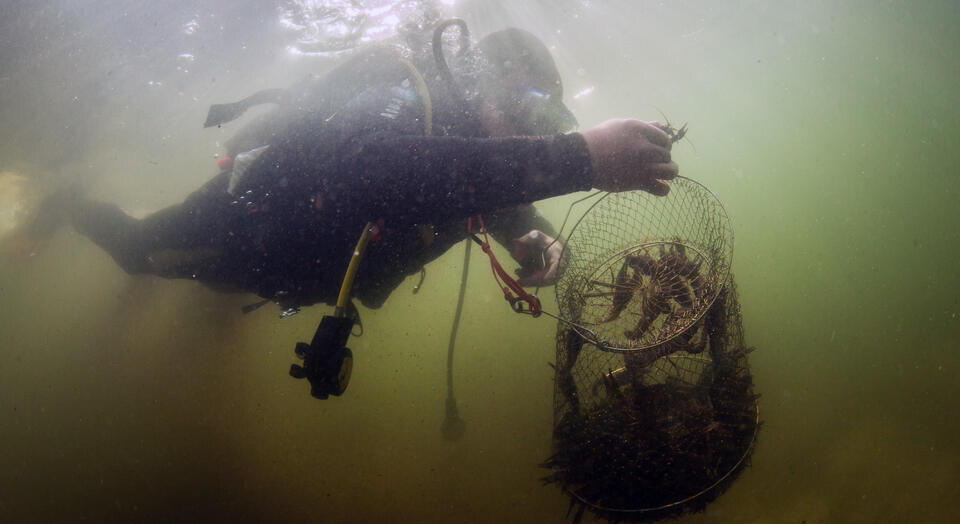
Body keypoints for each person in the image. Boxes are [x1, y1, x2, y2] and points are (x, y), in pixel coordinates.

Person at [3, 26, 678, 314]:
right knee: (138, 252)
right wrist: (581, 156)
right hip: (247, 225)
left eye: (545, 117)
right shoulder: (414, 100)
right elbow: (381, 169)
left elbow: (492, 194)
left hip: (302, 270)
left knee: (212, 293)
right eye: (524, 103)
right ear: (479, 81)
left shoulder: (481, 154)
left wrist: (533, 236)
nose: (532, 127)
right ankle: (71, 200)